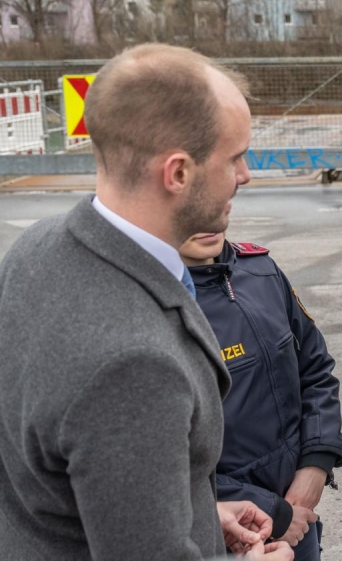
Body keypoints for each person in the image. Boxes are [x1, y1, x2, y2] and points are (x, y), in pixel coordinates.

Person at [0, 44, 291, 560]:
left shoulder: (36, 247)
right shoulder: (133, 365)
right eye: (234, 158)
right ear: (177, 173)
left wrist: (196, 512)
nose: (245, 175)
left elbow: (60, 483)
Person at [180, 231, 342, 559]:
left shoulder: (261, 272)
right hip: (227, 534)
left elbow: (315, 370)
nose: (207, 221)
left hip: (298, 514)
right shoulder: (154, 305)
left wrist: (316, 462)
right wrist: (272, 510)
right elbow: (157, 461)